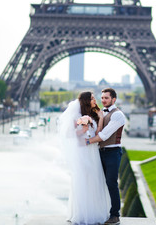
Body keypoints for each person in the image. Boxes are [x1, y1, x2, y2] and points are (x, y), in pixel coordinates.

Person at [58, 91, 110, 225]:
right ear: (87, 101)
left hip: (92, 152)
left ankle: (92, 213)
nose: (95, 100)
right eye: (92, 98)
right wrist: (84, 128)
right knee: (84, 181)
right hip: (83, 153)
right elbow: (71, 136)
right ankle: (83, 214)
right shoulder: (76, 116)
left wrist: (99, 117)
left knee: (94, 181)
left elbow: (98, 134)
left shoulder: (93, 114)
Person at [87, 88, 126, 225]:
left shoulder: (118, 115)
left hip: (112, 153)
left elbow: (104, 135)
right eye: (102, 98)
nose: (103, 100)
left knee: (111, 183)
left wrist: (86, 141)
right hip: (100, 152)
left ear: (114, 99)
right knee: (98, 184)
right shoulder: (101, 113)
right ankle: (101, 212)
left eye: (106, 98)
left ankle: (115, 215)